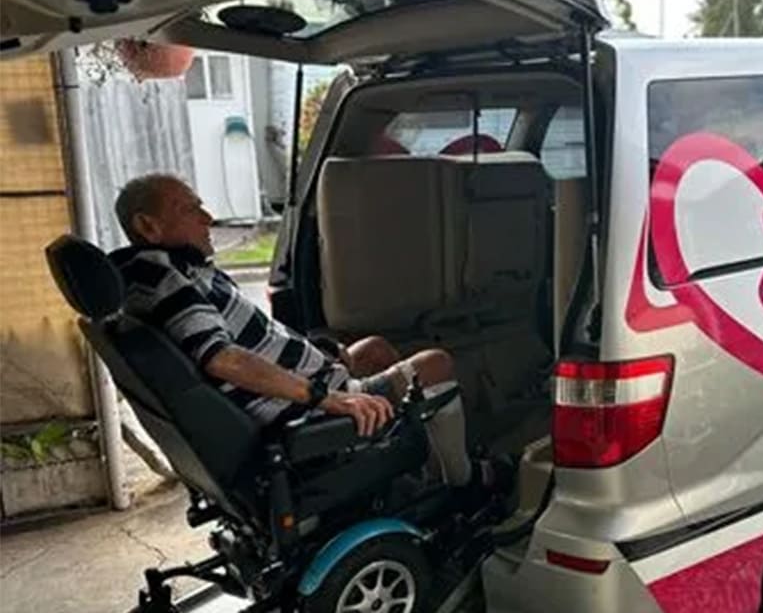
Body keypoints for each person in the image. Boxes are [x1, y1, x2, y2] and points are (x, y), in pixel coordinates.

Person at [111, 173, 494, 495]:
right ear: (148, 226)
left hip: (302, 386)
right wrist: (326, 397)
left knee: (375, 350)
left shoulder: (165, 273)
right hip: (299, 414)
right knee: (435, 364)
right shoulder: (167, 281)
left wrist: (315, 353)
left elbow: (241, 342)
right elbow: (223, 359)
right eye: (190, 209)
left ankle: (416, 462)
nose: (207, 218)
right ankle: (460, 483)